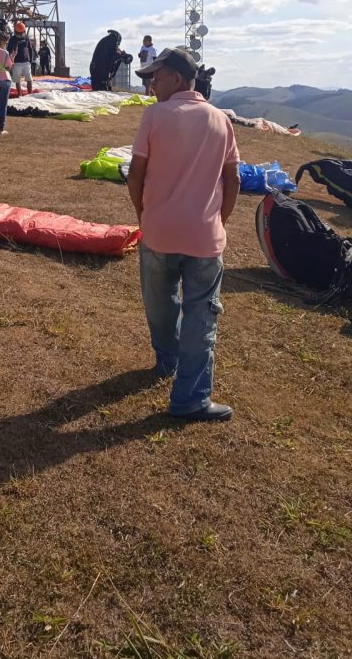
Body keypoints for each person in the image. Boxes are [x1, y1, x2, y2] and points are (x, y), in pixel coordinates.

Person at [126, 47, 241, 422]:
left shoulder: (155, 116)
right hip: (204, 238)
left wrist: (145, 215)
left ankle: (168, 360)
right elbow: (233, 179)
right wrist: (218, 221)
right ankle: (191, 397)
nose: (152, 85)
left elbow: (136, 175)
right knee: (201, 317)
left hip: (159, 231)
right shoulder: (221, 121)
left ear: (177, 78)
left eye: (155, 78)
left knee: (159, 304)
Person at [7, 21, 34, 96]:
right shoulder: (12, 39)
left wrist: (30, 61)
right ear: (15, 31)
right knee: (17, 80)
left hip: (26, 62)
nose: (20, 34)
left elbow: (30, 49)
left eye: (21, 33)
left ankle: (30, 95)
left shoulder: (26, 37)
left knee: (29, 79)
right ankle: (19, 95)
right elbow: (9, 51)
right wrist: (10, 62)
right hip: (16, 63)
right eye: (18, 33)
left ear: (24, 31)